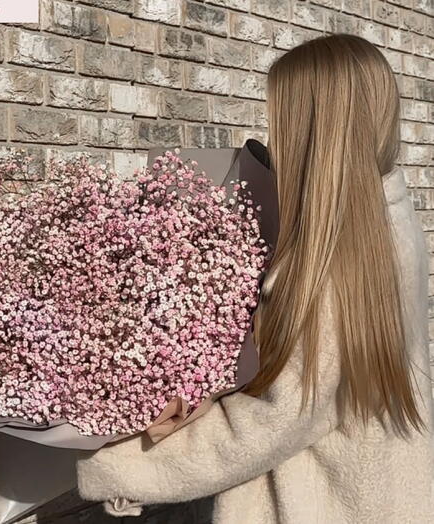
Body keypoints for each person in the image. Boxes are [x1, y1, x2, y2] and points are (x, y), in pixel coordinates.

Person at [76, 33, 434, 523]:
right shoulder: (385, 226)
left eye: (282, 121)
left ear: (314, 132)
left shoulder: (332, 264)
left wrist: (119, 464)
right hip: (383, 496)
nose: (276, 136)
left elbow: (273, 419)